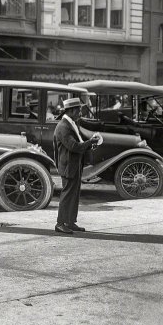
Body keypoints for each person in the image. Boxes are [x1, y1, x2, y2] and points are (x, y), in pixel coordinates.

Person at [54, 97, 100, 235]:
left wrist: (90, 144)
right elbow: (73, 146)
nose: (80, 112)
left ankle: (70, 222)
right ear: (71, 111)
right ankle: (60, 223)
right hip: (68, 166)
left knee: (74, 194)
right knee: (67, 194)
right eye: (78, 109)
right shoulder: (63, 126)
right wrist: (90, 142)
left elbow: (77, 143)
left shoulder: (71, 123)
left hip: (74, 164)